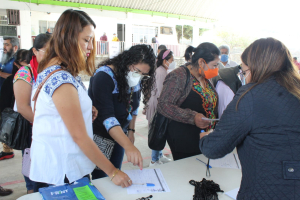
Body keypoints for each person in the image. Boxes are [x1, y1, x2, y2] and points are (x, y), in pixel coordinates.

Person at [30, 9, 132, 191]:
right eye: (86, 40)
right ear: (68, 38)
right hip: (62, 172)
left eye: (92, 40)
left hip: (60, 165)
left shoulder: (59, 70)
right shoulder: (61, 79)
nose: (91, 47)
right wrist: (113, 172)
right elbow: (79, 137)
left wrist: (85, 109)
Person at [200, 38, 300, 199]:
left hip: (267, 189)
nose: (244, 78)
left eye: (244, 72)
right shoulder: (295, 89)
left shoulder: (251, 95)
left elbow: (214, 148)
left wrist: (205, 138)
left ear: (258, 68)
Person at [89, 44, 155, 179]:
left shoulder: (133, 79)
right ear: (127, 61)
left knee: (116, 170)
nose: (139, 77)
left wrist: (130, 131)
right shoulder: (104, 77)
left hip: (120, 135)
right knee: (102, 175)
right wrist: (128, 146)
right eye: (137, 71)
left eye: (144, 75)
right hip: (100, 137)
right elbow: (107, 117)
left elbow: (134, 107)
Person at [157, 42, 220, 161]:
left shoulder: (205, 77)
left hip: (205, 137)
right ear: (202, 62)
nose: (216, 69)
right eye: (214, 65)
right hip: (185, 140)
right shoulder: (179, 76)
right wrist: (192, 117)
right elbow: (163, 105)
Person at [14, 34, 51, 194]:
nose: (52, 56)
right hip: (34, 130)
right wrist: (45, 127)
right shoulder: (25, 73)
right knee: (37, 176)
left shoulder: (54, 71)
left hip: (52, 130)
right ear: (35, 51)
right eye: (48, 51)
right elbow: (23, 107)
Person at [146, 49, 173, 166]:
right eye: (171, 60)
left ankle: (159, 156)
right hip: (158, 104)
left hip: (159, 103)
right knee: (157, 131)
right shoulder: (161, 71)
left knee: (161, 131)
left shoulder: (162, 70)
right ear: (165, 60)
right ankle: (154, 160)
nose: (172, 63)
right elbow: (161, 93)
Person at [0, 36, 19, 160]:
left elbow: (16, 77)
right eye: (4, 45)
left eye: (7, 45)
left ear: (15, 47)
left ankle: (8, 150)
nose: (4, 47)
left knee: (6, 123)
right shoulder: (3, 59)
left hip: (9, 99)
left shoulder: (17, 61)